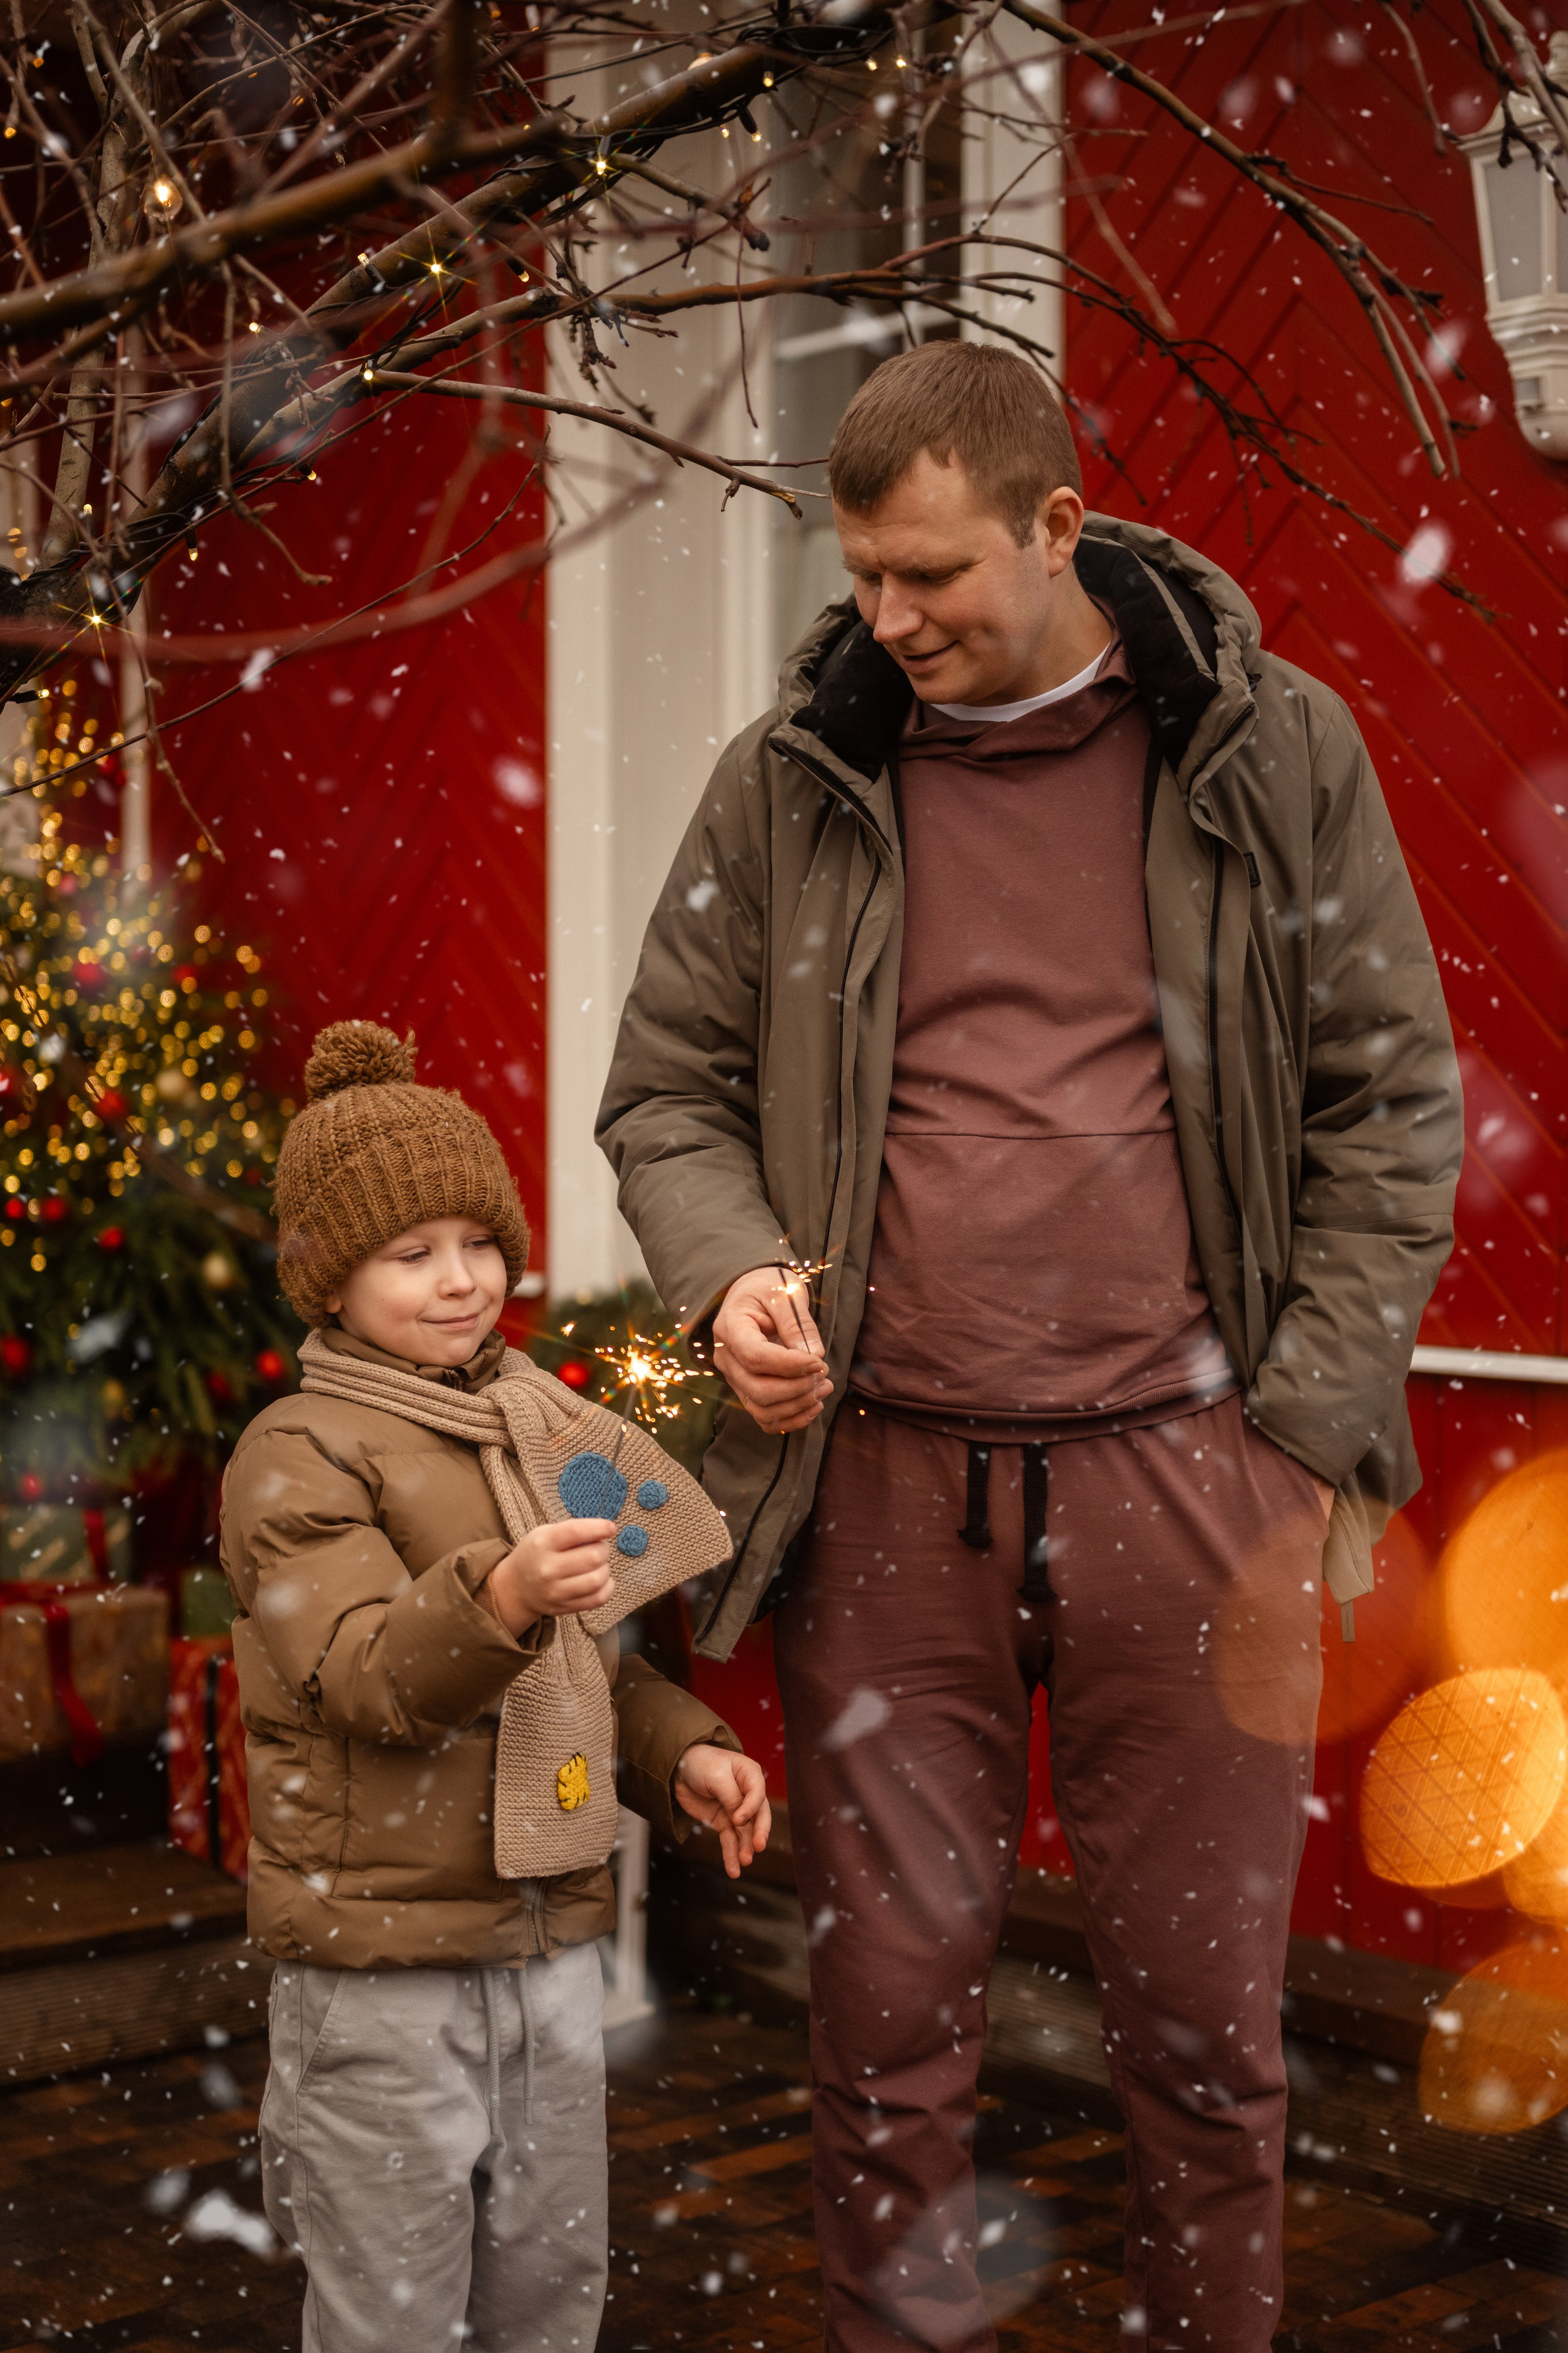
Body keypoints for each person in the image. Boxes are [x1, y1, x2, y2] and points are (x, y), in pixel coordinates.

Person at [597, 341, 1462, 2352]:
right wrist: (731, 1276)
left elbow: (1393, 1102)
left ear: (1058, 525)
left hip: (1199, 1487)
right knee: (886, 2035)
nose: (887, 621)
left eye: (930, 577)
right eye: (861, 577)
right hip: (888, 1493)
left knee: (1208, 2040)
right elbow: (667, 1091)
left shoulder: (1271, 750)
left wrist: (1297, 1431)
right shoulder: (795, 776)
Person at [222, 1019, 771, 2353]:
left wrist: (680, 1751)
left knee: (546, 2286)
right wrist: (502, 1593)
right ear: (331, 1278)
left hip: (546, 1944)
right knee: (393, 2304)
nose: (461, 1278)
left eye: (478, 1241)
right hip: (382, 1966)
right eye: (410, 1253)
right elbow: (365, 1677)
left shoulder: (529, 1422)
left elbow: (582, 1670)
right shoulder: (297, 1455)